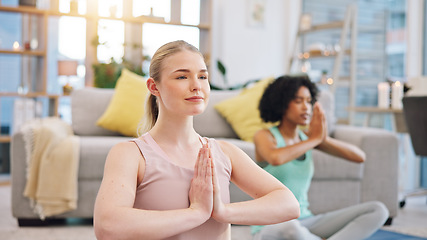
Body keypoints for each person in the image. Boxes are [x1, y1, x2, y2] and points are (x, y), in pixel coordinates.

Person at [93, 40, 300, 240]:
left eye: (202, 77)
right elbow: (108, 227)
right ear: (154, 87)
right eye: (182, 77)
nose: (196, 86)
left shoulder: (224, 152)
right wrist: (196, 213)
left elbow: (288, 204)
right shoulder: (130, 154)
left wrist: (222, 211)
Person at [251, 75, 389, 240]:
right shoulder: (265, 136)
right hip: (271, 226)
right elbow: (276, 158)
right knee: (291, 227)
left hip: (306, 220)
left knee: (378, 210)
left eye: (309, 101)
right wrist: (314, 139)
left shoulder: (308, 140)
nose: (306, 107)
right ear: (281, 104)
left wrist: (321, 138)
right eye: (298, 101)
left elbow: (359, 157)